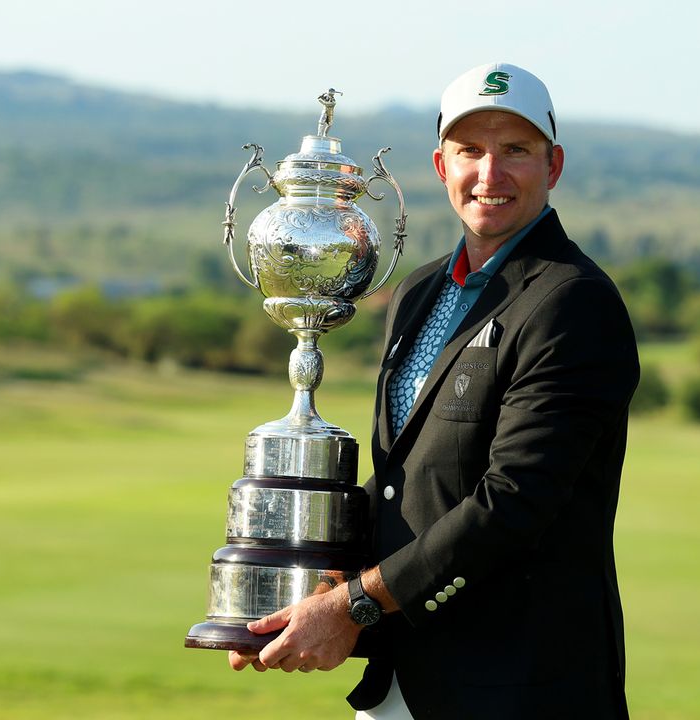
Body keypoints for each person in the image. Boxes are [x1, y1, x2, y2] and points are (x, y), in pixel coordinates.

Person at [229, 61, 639, 720]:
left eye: (516, 152)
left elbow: (512, 504)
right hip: (402, 685)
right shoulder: (420, 291)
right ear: (441, 164)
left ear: (553, 165)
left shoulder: (572, 302)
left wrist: (354, 605)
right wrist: (292, 593)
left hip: (517, 690)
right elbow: (403, 482)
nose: (490, 174)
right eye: (470, 151)